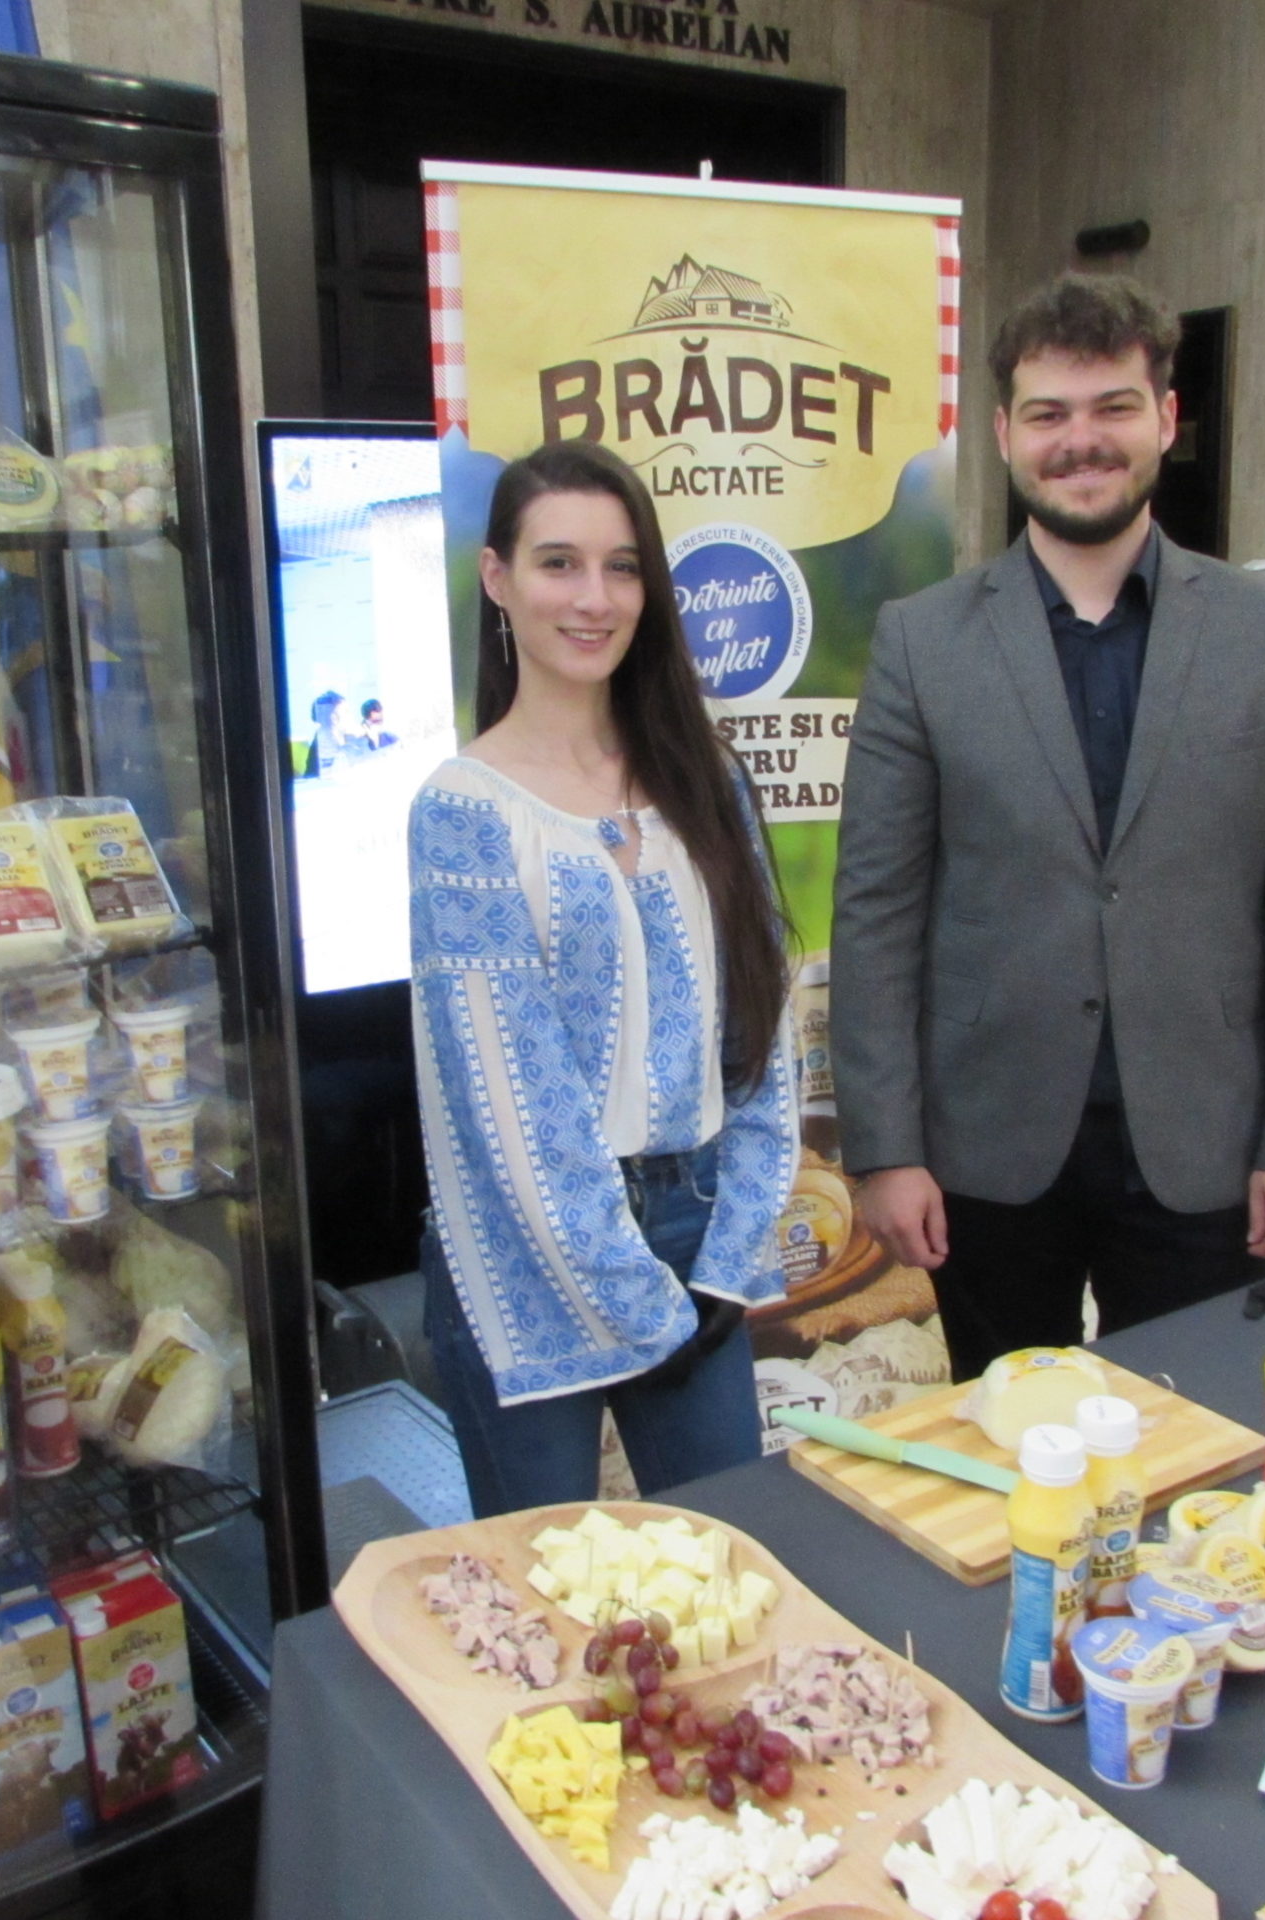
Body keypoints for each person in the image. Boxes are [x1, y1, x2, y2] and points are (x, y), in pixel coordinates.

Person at [832, 273, 1265, 1382]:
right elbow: (876, 913)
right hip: (986, 1152)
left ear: (1165, 418)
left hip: (1205, 1145)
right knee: (1006, 1438)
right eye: (1048, 414)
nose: (1081, 440)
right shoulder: (922, 642)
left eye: (1112, 406)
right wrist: (884, 1150)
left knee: (1197, 1436)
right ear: (1004, 436)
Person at [407, 439, 798, 1514]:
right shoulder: (464, 809)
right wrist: (645, 1300)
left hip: (699, 1224)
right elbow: (513, 1103)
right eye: (559, 563)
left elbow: (763, 1032)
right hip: (520, 1250)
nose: (594, 598)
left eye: (622, 568)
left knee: (727, 1551)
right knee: (550, 1578)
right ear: (497, 578)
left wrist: (731, 1251)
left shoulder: (706, 778)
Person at [306, 690, 352, 775]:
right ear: (333, 717)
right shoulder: (324, 740)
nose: (349, 716)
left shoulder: (339, 735)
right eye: (346, 711)